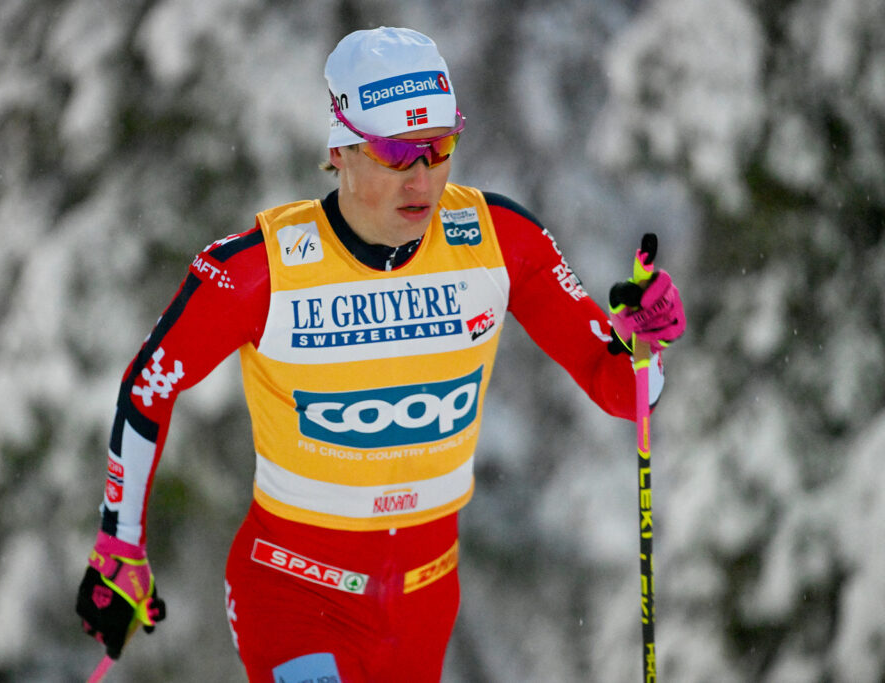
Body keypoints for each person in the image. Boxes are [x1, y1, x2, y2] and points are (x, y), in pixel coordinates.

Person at [75, 26, 685, 682]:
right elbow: (150, 383)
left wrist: (644, 344)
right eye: (396, 152)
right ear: (340, 149)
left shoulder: (499, 240)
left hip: (423, 600)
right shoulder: (261, 271)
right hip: (294, 593)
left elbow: (624, 391)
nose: (422, 178)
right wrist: (119, 544)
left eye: (439, 147)